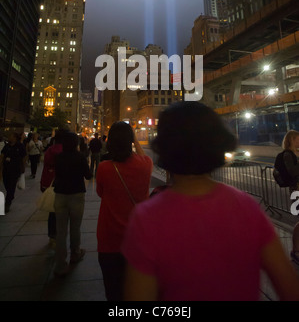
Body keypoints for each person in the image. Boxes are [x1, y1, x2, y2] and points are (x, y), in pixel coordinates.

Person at [122, 102, 299, 301]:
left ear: (164, 148)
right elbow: (290, 288)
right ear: (218, 144)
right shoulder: (246, 208)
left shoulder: (147, 218)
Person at [96, 121, 153, 301]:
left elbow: (100, 193)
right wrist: (135, 139)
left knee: (113, 292)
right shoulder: (145, 165)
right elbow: (145, 158)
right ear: (131, 140)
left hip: (109, 240)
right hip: (138, 240)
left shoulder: (104, 168)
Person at [53, 132, 92, 276]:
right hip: (76, 194)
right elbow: (88, 175)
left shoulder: (59, 157)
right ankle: (75, 253)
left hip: (60, 195)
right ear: (76, 143)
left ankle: (60, 265)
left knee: (61, 231)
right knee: (75, 228)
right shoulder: (80, 157)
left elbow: (57, 174)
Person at [40, 129, 66, 247]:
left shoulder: (50, 150)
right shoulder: (65, 151)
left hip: (48, 181)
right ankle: (59, 235)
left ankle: (52, 236)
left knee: (52, 211)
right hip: (61, 183)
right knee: (62, 211)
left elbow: (45, 164)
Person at [278, 130, 299, 265]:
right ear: (291, 139)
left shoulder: (296, 153)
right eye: (298, 138)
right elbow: (293, 172)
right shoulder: (288, 155)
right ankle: (295, 251)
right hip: (296, 191)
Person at [0, 132, 26, 213]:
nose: (9, 137)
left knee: (11, 186)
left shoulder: (20, 146)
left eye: (10, 135)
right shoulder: (7, 145)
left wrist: (23, 167)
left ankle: (8, 202)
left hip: (15, 170)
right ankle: (10, 196)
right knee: (7, 185)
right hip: (6, 169)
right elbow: (2, 156)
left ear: (15, 137)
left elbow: (24, 156)